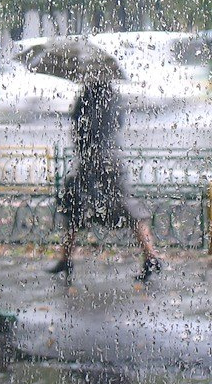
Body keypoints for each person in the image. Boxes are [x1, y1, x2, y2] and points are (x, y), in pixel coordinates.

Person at [48, 74, 162, 282]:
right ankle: (150, 256)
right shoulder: (114, 96)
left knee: (74, 207)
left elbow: (79, 126)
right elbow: (119, 123)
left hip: (92, 160)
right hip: (113, 158)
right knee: (127, 207)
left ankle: (66, 259)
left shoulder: (87, 95)